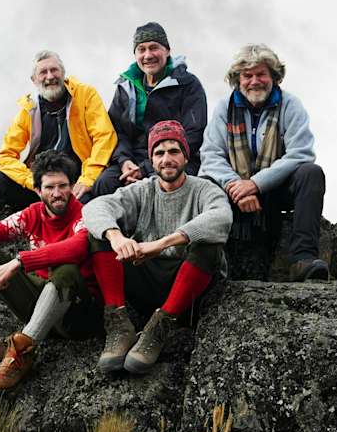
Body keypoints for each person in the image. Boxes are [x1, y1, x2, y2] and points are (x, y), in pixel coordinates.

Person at [0, 51, 117, 283]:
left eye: (54, 70)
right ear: (34, 80)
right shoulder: (29, 109)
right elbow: (6, 155)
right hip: (38, 187)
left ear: (63, 73)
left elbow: (104, 137)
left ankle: (61, 280)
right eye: (43, 72)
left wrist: (88, 179)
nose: (50, 76)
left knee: (87, 215)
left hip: (71, 188)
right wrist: (32, 183)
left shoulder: (85, 95)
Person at [83, 120, 231, 374]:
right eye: (159, 153)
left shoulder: (204, 188)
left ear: (185, 156)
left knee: (208, 244)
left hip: (188, 288)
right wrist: (117, 237)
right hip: (147, 279)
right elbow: (95, 208)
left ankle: (160, 327)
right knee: (99, 234)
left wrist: (162, 243)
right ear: (151, 161)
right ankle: (119, 324)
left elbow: (221, 217)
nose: (167, 159)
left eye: (174, 151)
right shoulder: (142, 190)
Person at [0, 151, 102, 392]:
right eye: (49, 187)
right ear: (38, 190)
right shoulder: (32, 214)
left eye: (63, 186)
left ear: (72, 187)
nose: (57, 193)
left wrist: (19, 262)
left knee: (67, 271)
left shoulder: (85, 214)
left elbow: (77, 247)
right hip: (39, 306)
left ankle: (21, 352)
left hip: (76, 315)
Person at [199, 44, 328, 282]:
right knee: (203, 184)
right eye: (247, 75)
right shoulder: (223, 109)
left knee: (311, 173)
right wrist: (236, 185)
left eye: (261, 74)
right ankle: (206, 264)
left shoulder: (291, 105)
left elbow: (301, 153)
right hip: (234, 191)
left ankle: (303, 259)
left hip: (275, 190)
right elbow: (210, 155)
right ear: (237, 79)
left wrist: (256, 184)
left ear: (274, 77)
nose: (254, 81)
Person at [93, 22, 208, 197]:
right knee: (104, 184)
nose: (148, 55)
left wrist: (147, 167)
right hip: (132, 160)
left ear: (167, 51)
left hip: (174, 159)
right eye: (141, 49)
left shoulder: (188, 84)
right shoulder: (126, 87)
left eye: (154, 48)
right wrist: (124, 161)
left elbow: (193, 133)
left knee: (158, 189)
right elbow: (116, 131)